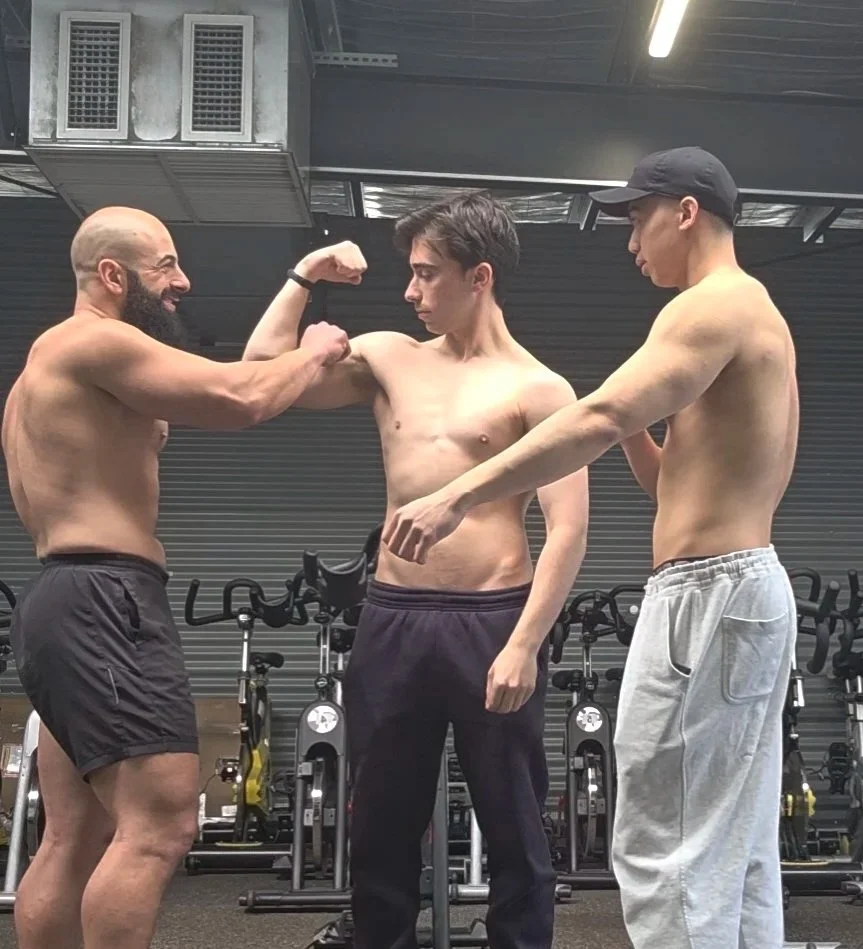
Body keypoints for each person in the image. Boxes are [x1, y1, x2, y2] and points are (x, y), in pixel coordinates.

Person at [382, 147, 800, 949]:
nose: (630, 240)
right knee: (732, 848)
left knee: (664, 846)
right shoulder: (760, 316)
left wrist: (456, 493)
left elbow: (599, 416)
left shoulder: (706, 305)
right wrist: (632, 424)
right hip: (744, 586)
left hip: (706, 595)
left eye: (638, 219)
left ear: (685, 212)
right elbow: (674, 484)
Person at [242, 192, 589, 949]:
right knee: (381, 824)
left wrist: (524, 645)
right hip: (394, 618)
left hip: (493, 620)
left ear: (479, 277)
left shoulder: (539, 389)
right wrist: (304, 274)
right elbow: (260, 373)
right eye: (411, 274)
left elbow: (567, 529)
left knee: (515, 826)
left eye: (428, 274)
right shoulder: (390, 358)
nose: (410, 291)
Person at [0, 205, 351, 949]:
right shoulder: (95, 342)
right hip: (105, 599)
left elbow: (247, 376)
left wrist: (300, 280)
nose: (182, 281)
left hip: (63, 600)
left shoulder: (48, 369)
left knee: (73, 836)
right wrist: (319, 348)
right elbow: (241, 399)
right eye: (165, 266)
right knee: (160, 827)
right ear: (111, 274)